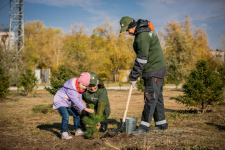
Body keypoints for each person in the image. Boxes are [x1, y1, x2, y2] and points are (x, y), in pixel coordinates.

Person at [119, 16, 168, 135]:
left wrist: (133, 76)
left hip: (153, 69)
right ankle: (161, 124)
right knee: (157, 98)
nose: (126, 32)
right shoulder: (145, 30)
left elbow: (141, 59)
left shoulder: (142, 37)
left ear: (132, 26)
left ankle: (144, 127)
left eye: (127, 29)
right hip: (158, 68)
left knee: (150, 98)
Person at [53, 72, 94, 140]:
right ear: (78, 82)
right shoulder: (71, 89)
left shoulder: (80, 89)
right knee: (66, 116)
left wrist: (79, 109)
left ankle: (77, 130)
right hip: (60, 101)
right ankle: (63, 133)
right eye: (83, 85)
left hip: (67, 103)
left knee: (76, 114)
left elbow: (79, 99)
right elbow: (76, 101)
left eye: (86, 86)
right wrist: (86, 109)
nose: (84, 87)